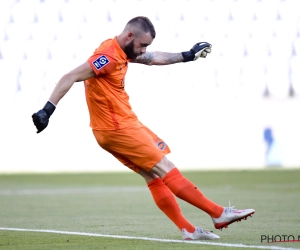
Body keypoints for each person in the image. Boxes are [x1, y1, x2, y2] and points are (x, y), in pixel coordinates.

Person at [32, 16, 255, 240]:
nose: (144, 50)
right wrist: (47, 110)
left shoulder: (122, 50)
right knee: (165, 167)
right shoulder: (107, 57)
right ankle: (218, 213)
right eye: (143, 45)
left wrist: (186, 56)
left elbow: (152, 58)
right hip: (118, 128)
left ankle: (187, 229)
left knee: (153, 177)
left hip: (112, 128)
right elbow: (70, 76)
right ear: (130, 36)